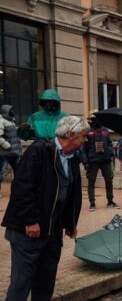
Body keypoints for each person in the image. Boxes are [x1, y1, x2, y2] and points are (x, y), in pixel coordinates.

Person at [2, 116, 88, 301]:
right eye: (83, 136)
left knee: (45, 284)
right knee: (21, 284)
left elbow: (70, 194)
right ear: (71, 135)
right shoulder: (40, 150)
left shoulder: (73, 159)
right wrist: (30, 220)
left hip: (52, 232)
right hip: (28, 231)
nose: (86, 139)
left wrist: (70, 223)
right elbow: (22, 187)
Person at [81, 110, 119, 211]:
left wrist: (110, 152)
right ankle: (92, 203)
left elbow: (110, 143)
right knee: (91, 181)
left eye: (98, 118)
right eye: (95, 118)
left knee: (109, 180)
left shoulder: (105, 130)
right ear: (92, 120)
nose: (97, 120)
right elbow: (83, 147)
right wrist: (85, 161)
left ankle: (110, 201)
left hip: (105, 160)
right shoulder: (87, 130)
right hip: (92, 161)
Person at [0, 105, 22, 195]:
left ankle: (17, 191)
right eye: (11, 110)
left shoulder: (12, 121)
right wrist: (7, 146)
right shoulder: (1, 121)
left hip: (14, 153)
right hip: (4, 153)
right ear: (6, 111)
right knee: (1, 173)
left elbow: (13, 135)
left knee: (19, 172)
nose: (13, 112)